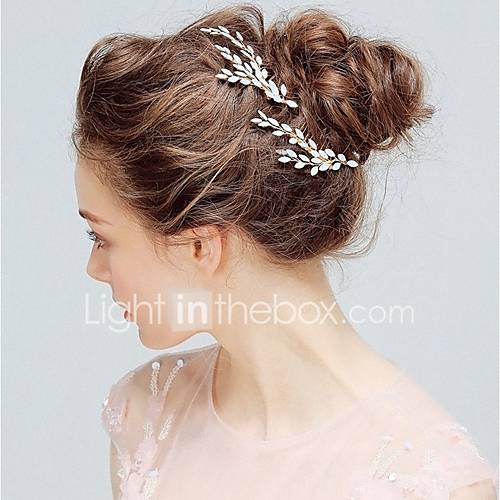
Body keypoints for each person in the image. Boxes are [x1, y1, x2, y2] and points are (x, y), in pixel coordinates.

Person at [72, 5, 497, 500]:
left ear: (199, 245)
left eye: (101, 237)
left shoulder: (430, 482)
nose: (94, 269)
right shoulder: (146, 414)